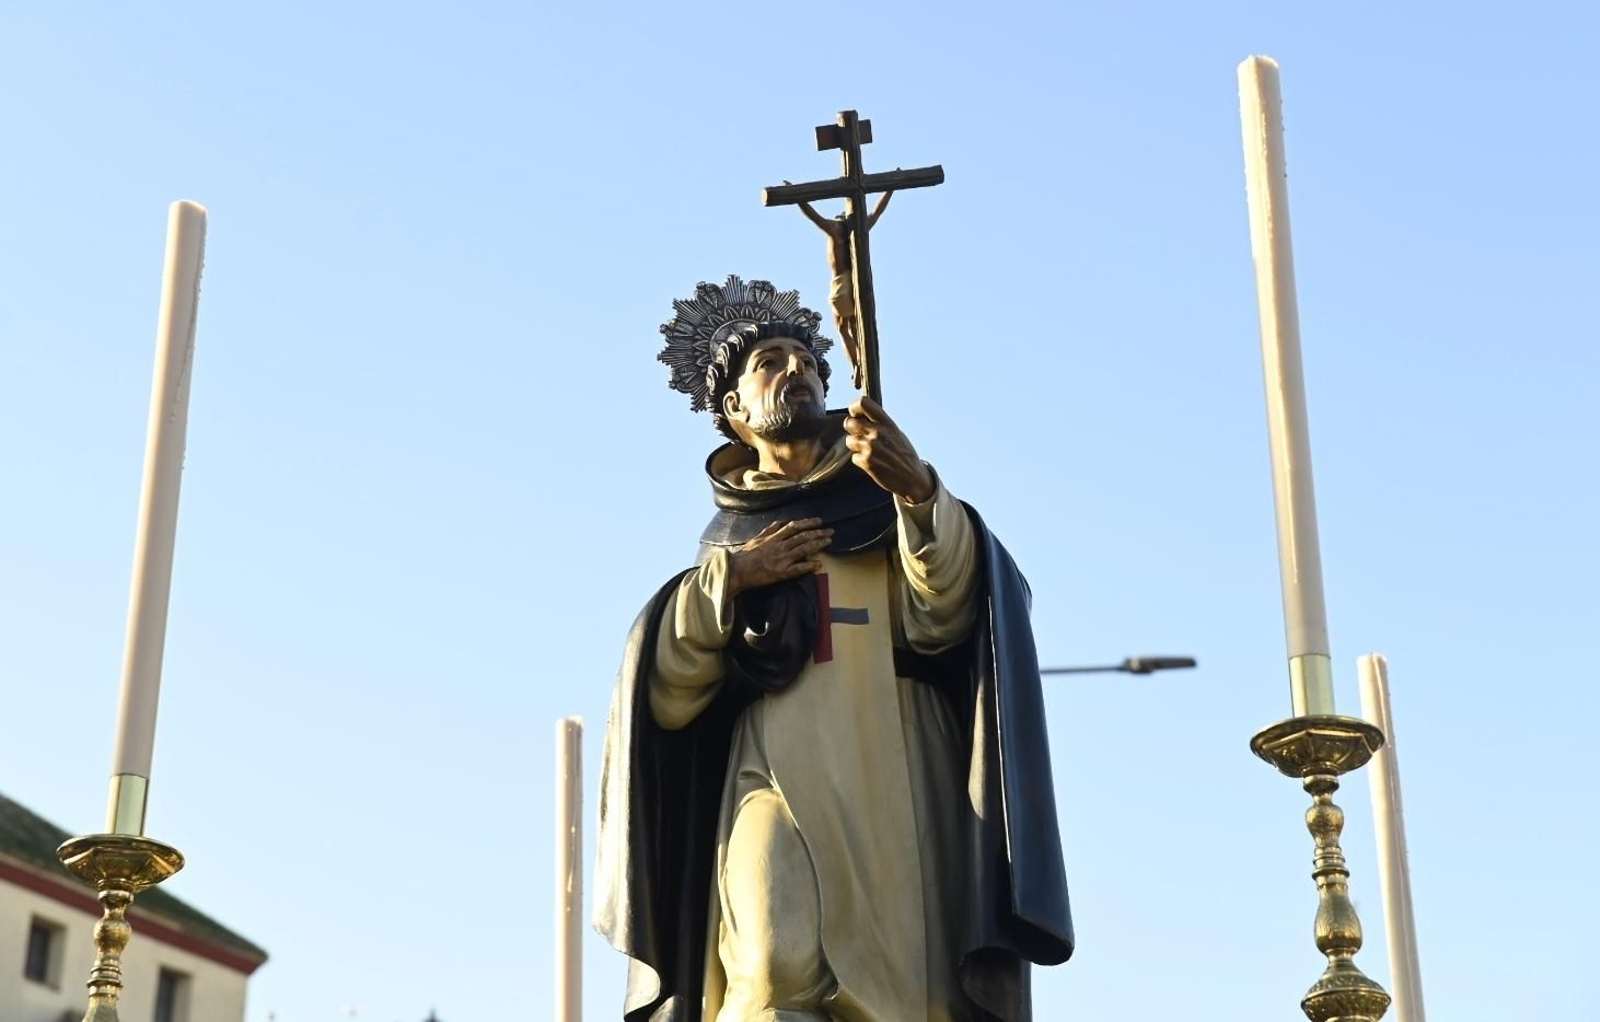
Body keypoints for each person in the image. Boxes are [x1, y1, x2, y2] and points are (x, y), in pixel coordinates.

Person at [596, 276, 1073, 1021]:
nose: (797, 371)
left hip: (894, 766)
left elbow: (946, 616)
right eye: (771, 363)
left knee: (901, 990)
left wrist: (917, 495)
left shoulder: (880, 501)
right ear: (735, 412)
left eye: (807, 361)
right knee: (767, 958)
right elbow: (666, 689)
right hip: (772, 763)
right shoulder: (726, 544)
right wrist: (731, 580)